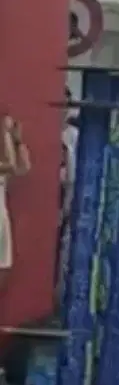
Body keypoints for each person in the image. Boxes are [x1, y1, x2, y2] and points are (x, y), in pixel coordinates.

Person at [0, 116, 30, 286]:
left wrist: (18, 141)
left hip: (2, 219)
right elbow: (11, 166)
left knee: (4, 269)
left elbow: (23, 168)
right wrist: (6, 133)